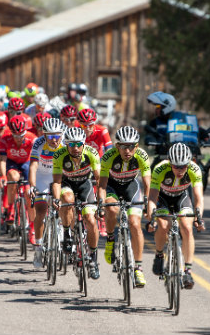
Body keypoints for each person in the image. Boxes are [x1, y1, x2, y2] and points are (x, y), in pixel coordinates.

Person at [146, 142, 205, 289]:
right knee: (164, 225)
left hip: (181, 198)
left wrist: (199, 218)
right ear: (170, 163)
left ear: (189, 163)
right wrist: (151, 216)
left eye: (183, 166)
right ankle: (159, 255)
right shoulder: (160, 169)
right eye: (176, 166)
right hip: (163, 199)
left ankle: (188, 271)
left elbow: (198, 197)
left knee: (187, 227)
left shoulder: (194, 169)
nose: (180, 170)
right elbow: (152, 196)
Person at [98, 126, 151, 287]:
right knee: (111, 208)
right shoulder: (108, 157)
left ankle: (138, 268)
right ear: (117, 146)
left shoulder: (142, 155)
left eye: (131, 146)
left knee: (135, 223)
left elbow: (147, 183)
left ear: (136, 146)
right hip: (111, 187)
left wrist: (148, 204)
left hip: (131, 187)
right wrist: (101, 204)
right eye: (123, 146)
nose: (127, 150)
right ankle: (110, 238)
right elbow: (102, 185)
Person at [52, 127, 101, 279]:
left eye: (78, 144)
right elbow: (56, 181)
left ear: (83, 143)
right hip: (67, 184)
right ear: (66, 144)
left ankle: (93, 258)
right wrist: (55, 199)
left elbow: (99, 179)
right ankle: (67, 233)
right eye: (71, 144)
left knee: (91, 221)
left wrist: (101, 201)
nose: (75, 148)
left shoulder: (91, 153)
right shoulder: (60, 155)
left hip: (85, 185)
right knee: (67, 199)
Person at [29, 118, 65, 268]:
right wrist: (32, 186)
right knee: (41, 211)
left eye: (57, 136)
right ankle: (38, 247)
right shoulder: (38, 143)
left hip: (60, 175)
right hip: (43, 176)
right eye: (50, 136)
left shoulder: (66, 143)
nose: (54, 140)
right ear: (44, 136)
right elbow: (33, 166)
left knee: (65, 203)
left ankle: (65, 233)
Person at [0, 115, 37, 244]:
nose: (19, 139)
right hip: (12, 163)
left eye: (21, 136)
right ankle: (11, 208)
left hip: (27, 163)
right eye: (15, 136)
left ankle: (32, 228)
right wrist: (3, 175)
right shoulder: (5, 139)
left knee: (28, 194)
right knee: (13, 177)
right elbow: (2, 160)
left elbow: (36, 162)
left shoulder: (33, 139)